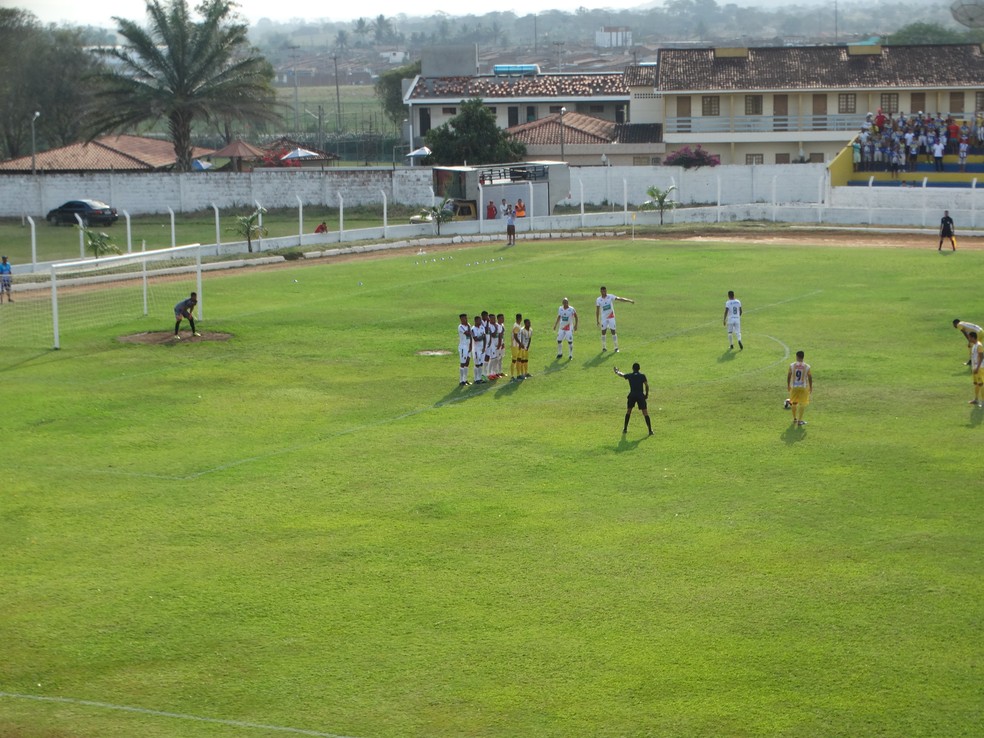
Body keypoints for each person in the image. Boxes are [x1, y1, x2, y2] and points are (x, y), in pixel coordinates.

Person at [613, 363, 653, 435]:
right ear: (639, 368)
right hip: (640, 395)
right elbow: (646, 385)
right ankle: (650, 430)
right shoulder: (642, 376)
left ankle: (625, 428)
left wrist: (617, 372)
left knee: (629, 411)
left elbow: (622, 375)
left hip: (632, 395)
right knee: (645, 412)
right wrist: (646, 395)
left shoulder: (630, 375)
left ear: (633, 368)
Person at [595, 286, 634, 353]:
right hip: (604, 318)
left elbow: (620, 299)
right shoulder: (598, 300)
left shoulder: (610, 296)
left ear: (606, 291)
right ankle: (604, 347)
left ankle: (616, 347)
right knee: (603, 332)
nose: (603, 292)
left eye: (604, 291)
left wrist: (629, 300)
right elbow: (597, 310)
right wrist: (597, 320)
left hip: (611, 317)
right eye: (602, 291)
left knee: (613, 331)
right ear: (600, 291)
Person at [786, 350, 813, 426]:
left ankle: (795, 419)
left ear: (797, 356)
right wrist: (811, 387)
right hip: (803, 387)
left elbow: (789, 375)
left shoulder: (792, 365)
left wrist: (788, 385)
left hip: (794, 387)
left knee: (794, 402)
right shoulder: (807, 366)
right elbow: (810, 377)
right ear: (803, 357)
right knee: (802, 403)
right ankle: (800, 421)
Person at [470, 315, 487, 384]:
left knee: (481, 364)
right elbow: (476, 339)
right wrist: (482, 337)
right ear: (475, 321)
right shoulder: (473, 329)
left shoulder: (482, 327)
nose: (480, 321)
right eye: (479, 320)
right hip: (476, 349)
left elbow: (485, 338)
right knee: (477, 364)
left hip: (482, 348)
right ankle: (476, 379)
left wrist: (484, 347)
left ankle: (479, 378)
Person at [457, 313, 472, 386]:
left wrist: (471, 346)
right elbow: (468, 334)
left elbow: (471, 336)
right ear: (461, 319)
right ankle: (461, 380)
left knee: (467, 362)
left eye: (466, 318)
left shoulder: (468, 325)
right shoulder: (460, 327)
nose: (466, 319)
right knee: (463, 363)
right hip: (463, 347)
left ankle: (465, 380)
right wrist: (469, 326)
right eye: (464, 318)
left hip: (468, 346)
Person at [970, 332, 984, 406]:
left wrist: (977, 368)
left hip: (980, 367)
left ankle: (983, 401)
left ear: (973, 337)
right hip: (975, 367)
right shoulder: (974, 345)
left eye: (970, 337)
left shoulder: (979, 345)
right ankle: (976, 399)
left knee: (981, 384)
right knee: (976, 384)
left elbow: (981, 357)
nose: (969, 339)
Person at [510, 313, 523, 379]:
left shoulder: (519, 325)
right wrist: (520, 343)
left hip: (518, 345)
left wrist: (520, 344)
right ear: (520, 318)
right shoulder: (516, 326)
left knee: (519, 360)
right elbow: (515, 336)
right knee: (514, 360)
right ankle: (512, 376)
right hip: (515, 346)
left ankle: (518, 375)